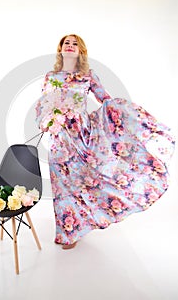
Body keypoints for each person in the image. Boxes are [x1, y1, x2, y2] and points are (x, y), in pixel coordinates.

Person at [35, 34, 175, 250]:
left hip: (82, 136)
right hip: (59, 139)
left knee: (87, 179)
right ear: (60, 49)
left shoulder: (87, 76)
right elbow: (42, 104)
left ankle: (88, 220)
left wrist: (123, 114)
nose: (70, 46)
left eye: (75, 44)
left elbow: (106, 100)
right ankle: (68, 233)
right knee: (62, 185)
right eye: (67, 43)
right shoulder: (51, 76)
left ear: (81, 51)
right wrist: (46, 121)